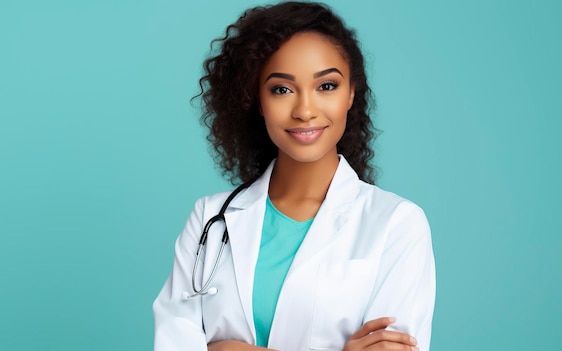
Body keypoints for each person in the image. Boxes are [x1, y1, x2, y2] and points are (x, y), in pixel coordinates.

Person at [153, 2, 435, 350]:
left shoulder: (398, 224)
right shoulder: (210, 219)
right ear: (256, 99)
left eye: (326, 86)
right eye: (282, 89)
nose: (304, 110)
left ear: (351, 93)